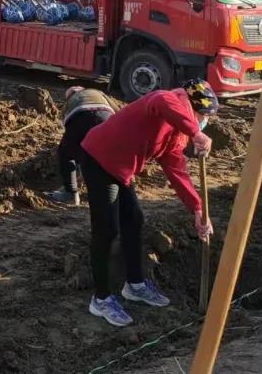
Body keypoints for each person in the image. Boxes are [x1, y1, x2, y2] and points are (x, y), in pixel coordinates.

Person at [79, 78, 218, 327]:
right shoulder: (166, 101)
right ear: (191, 108)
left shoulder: (177, 136)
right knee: (107, 230)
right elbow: (161, 100)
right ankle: (101, 299)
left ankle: (135, 285)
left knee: (134, 220)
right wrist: (195, 132)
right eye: (203, 116)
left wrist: (197, 208)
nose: (204, 122)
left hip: (122, 169)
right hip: (99, 158)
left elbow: (177, 171)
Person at [48, 86, 116, 205]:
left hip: (81, 117)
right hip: (107, 118)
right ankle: (111, 192)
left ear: (69, 96)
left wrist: (78, 157)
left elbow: (67, 126)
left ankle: (71, 193)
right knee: (107, 155)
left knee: (65, 152)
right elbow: (117, 111)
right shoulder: (98, 93)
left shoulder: (70, 102)